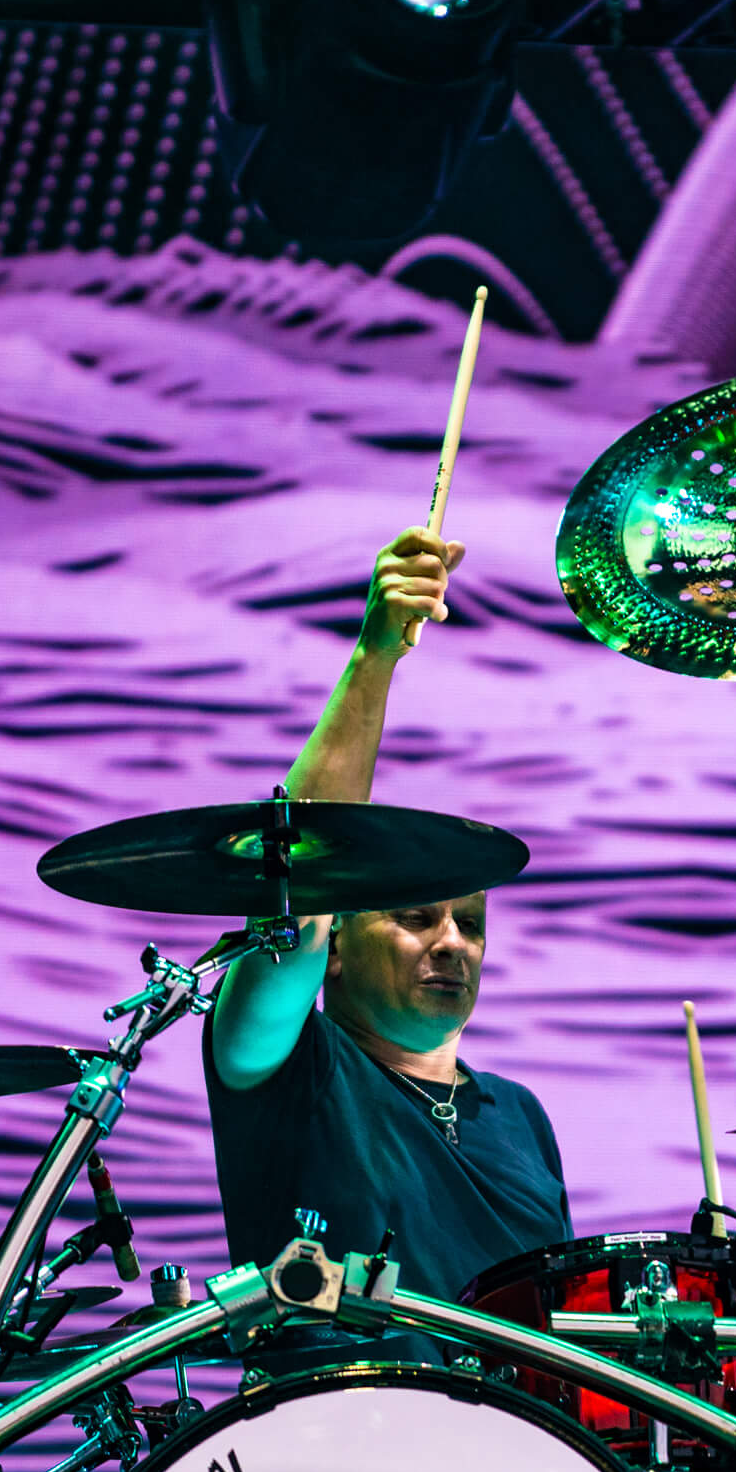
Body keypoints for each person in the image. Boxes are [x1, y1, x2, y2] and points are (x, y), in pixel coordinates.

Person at [204, 527, 571, 1362]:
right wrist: (376, 655)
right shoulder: (291, 1068)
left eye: (470, 924)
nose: (451, 943)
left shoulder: (522, 1116)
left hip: (513, 1434)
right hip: (332, 1430)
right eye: (415, 917)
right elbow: (297, 892)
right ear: (336, 948)